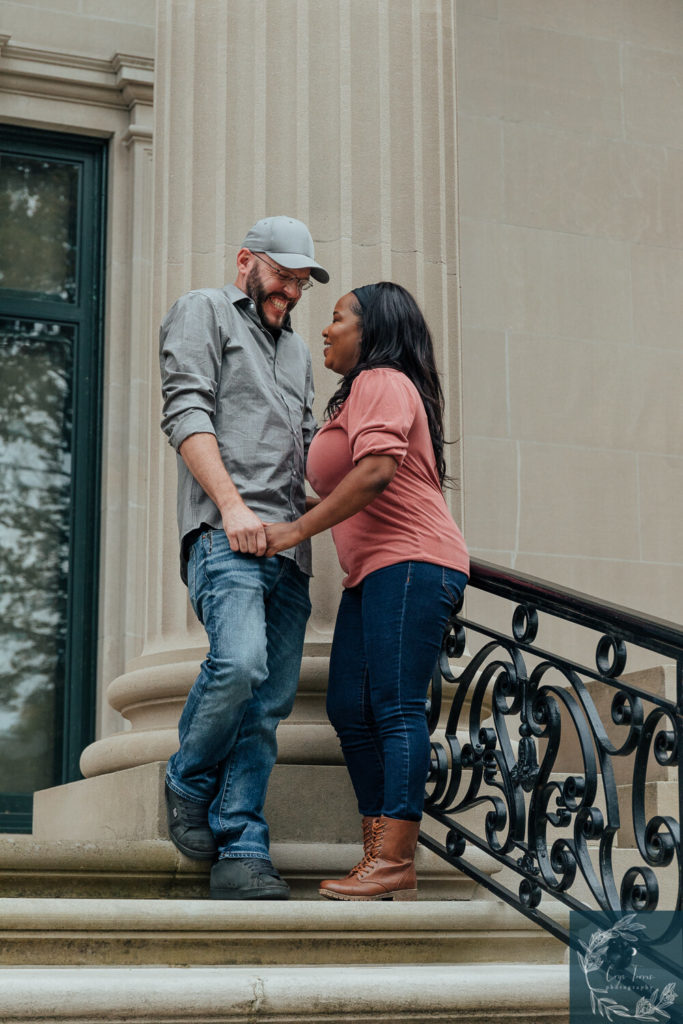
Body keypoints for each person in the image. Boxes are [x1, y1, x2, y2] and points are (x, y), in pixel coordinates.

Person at [265, 282, 469, 901]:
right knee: (349, 709)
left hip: (412, 562)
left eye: (336, 318)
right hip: (375, 571)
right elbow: (345, 483)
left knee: (395, 706)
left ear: (372, 330)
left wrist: (296, 529)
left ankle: (394, 863)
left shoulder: (382, 379)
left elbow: (377, 471)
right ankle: (381, 855)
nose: (324, 330)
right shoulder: (361, 392)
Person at [159, 216, 329, 900]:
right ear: (245, 263)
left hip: (289, 552)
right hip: (223, 534)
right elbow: (186, 413)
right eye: (281, 275)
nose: (289, 291)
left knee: (268, 706)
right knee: (238, 664)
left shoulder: (297, 356)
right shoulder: (203, 310)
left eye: (299, 281)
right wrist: (231, 508)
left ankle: (243, 844)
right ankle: (188, 777)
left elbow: (310, 454)